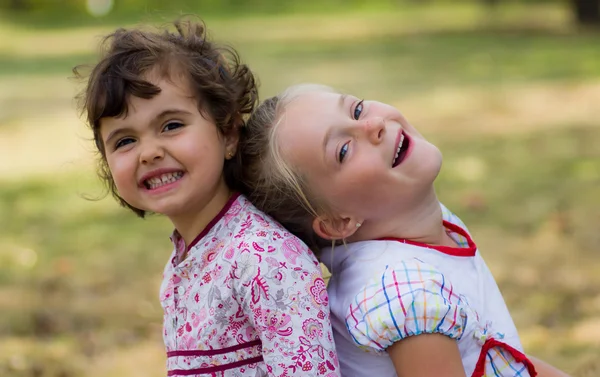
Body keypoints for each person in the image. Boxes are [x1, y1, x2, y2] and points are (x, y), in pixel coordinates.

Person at [240, 83, 571, 377]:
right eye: (343, 150)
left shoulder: (430, 226)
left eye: (357, 109)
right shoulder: (405, 295)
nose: (372, 125)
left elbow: (497, 352)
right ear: (337, 222)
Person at [74, 23, 340, 377]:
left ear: (228, 133)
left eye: (171, 125)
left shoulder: (266, 259)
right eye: (124, 141)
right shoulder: (185, 260)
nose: (149, 153)